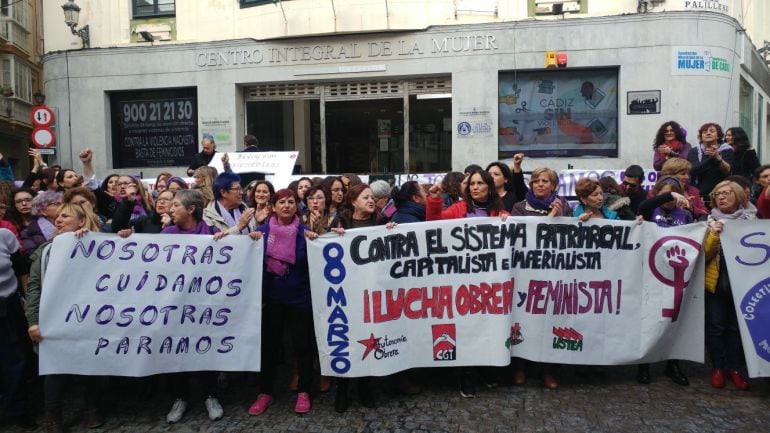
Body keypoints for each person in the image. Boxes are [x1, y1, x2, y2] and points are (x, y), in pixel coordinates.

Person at [427, 169, 509, 396]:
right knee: (466, 328)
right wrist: (434, 200)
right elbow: (434, 225)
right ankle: (467, 375)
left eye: (480, 183)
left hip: (490, 282)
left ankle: (487, 369)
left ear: (489, 187)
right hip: (462, 281)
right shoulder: (458, 209)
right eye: (471, 183)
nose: (474, 187)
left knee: (487, 325)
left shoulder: (499, 211)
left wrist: (508, 221)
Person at [26, 203, 104, 431]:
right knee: (54, 371)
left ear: (81, 221)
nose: (58, 220)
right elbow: (34, 288)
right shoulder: (45, 252)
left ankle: (92, 408)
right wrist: (33, 321)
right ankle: (53, 416)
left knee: (89, 365)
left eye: (66, 216)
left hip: (88, 319)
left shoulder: (97, 247)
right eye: (58, 216)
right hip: (54, 320)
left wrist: (88, 243)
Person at [247, 189, 319, 416]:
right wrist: (249, 239)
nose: (286, 206)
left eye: (291, 202)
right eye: (281, 202)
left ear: (296, 207)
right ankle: (265, 392)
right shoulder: (262, 232)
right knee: (269, 347)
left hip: (299, 297)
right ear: (274, 207)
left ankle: (304, 391)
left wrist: (320, 240)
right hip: (272, 298)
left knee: (302, 346)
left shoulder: (305, 233)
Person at [160, 190, 225, 423]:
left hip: (203, 304)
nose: (170, 208)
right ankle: (181, 397)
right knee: (177, 350)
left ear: (190, 209)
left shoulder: (210, 232)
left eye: (176, 205)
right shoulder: (166, 234)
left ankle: (210, 395)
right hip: (175, 305)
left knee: (203, 348)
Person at [329, 184, 394, 412]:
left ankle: (365, 386)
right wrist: (332, 237)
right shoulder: (340, 223)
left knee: (370, 337)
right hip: (346, 294)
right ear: (353, 201)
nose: (371, 200)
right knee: (346, 338)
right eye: (365, 197)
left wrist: (392, 233)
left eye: (372, 197)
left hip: (372, 293)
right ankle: (343, 387)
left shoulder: (381, 222)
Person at [510, 167, 571, 389]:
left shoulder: (563, 206)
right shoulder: (519, 206)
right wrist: (551, 217)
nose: (540, 184)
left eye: (545, 181)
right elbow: (521, 234)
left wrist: (560, 216)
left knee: (549, 322)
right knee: (523, 321)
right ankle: (520, 367)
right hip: (525, 272)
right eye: (536, 180)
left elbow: (570, 235)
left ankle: (548, 370)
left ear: (554, 186)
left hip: (552, 272)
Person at [703, 181, 754, 390]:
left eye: (727, 193)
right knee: (716, 328)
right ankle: (718, 368)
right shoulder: (707, 221)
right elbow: (704, 255)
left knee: (736, 329)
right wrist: (714, 234)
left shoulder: (752, 221)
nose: (721, 197)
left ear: (739, 196)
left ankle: (735, 368)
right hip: (716, 284)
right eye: (717, 194)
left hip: (742, 285)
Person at [0, 226, 35, 429]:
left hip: (8, 307)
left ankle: (18, 409)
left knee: (14, 360)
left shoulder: (5, 236)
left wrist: (27, 300)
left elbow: (21, 270)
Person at [687, 123, 734, 207]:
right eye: (704, 132)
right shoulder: (694, 151)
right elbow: (693, 170)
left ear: (718, 136)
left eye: (712, 131)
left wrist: (719, 159)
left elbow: (728, 170)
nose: (708, 133)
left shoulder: (726, 150)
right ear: (701, 136)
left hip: (721, 192)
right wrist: (712, 159)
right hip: (700, 192)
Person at [20, 191, 62, 260]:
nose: (62, 206)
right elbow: (32, 257)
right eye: (57, 204)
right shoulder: (28, 233)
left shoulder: (72, 224)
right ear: (43, 211)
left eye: (64, 203)